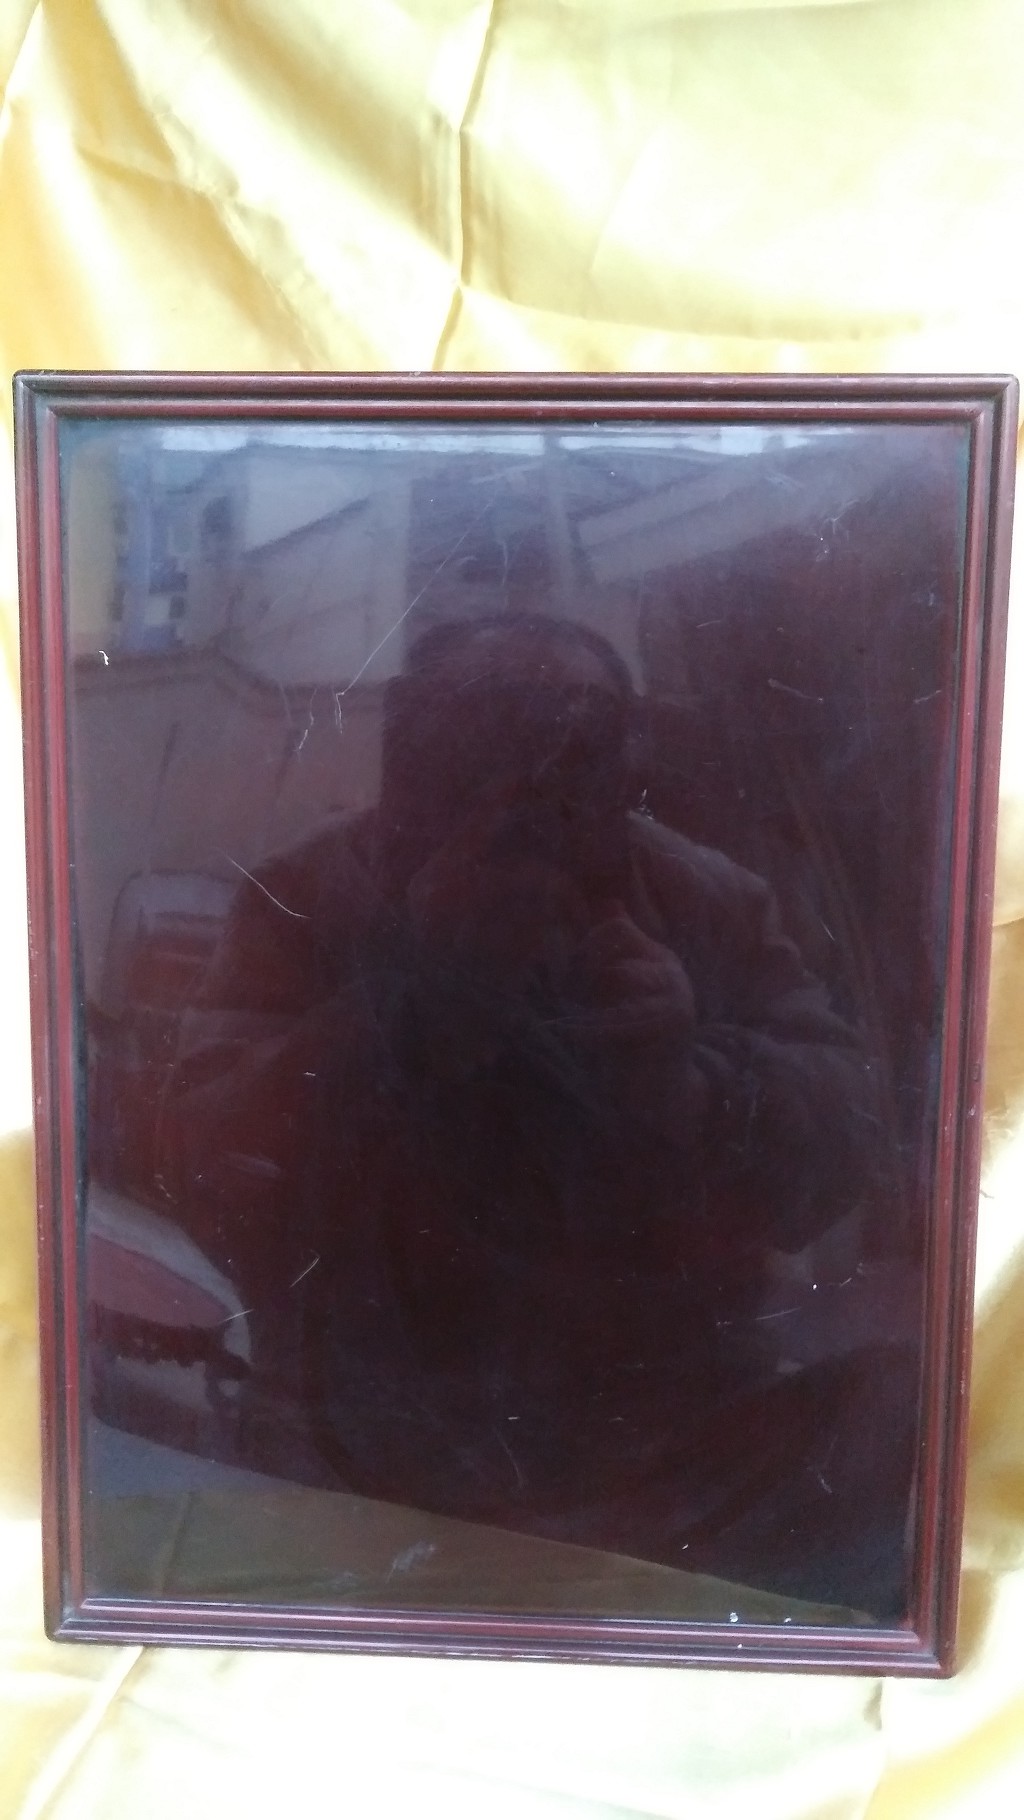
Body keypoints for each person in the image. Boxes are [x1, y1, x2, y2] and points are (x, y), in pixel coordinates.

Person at [157, 612, 897, 1598]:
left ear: (621, 764)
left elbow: (846, 1141)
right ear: (410, 755)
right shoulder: (308, 897)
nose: (517, 793)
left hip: (671, 1436)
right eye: (478, 743)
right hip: (368, 1438)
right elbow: (210, 1164)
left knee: (899, 1411)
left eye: (563, 747)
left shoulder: (705, 900)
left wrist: (688, 1076)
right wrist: (412, 997)